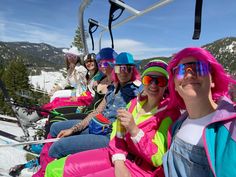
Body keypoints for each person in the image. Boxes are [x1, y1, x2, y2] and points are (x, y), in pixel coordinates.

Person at [44, 59, 180, 177]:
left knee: (60, 149)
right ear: (144, 81)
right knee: (54, 170)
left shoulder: (168, 113)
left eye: (160, 81)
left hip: (138, 167)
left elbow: (158, 158)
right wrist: (119, 159)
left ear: (168, 84)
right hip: (117, 152)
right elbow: (117, 130)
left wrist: (134, 131)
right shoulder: (134, 103)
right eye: (149, 79)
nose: (153, 85)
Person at [32, 52, 142, 177]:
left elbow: (152, 99)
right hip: (97, 125)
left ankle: (45, 172)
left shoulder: (137, 91)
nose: (123, 71)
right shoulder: (112, 88)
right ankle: (43, 165)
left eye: (127, 68)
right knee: (55, 127)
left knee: (58, 147)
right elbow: (96, 112)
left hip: (109, 135)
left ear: (133, 70)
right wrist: (73, 129)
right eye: (119, 67)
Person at [162, 47, 236, 177]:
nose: (189, 75)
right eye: (181, 71)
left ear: (213, 80)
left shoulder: (231, 128)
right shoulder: (177, 124)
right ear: (174, 85)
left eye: (199, 68)